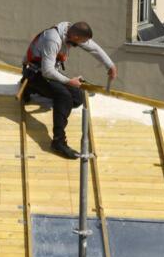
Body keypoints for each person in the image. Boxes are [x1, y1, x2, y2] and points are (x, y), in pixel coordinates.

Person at [22, 21, 117, 159]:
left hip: (48, 72)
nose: (81, 45)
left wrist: (110, 66)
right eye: (81, 42)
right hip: (35, 73)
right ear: (76, 38)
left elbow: (94, 48)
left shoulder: (71, 33)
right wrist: (68, 81)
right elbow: (47, 71)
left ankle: (37, 90)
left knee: (77, 98)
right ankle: (58, 142)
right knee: (64, 97)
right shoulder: (53, 39)